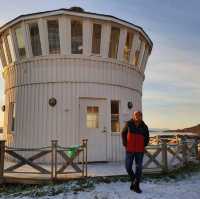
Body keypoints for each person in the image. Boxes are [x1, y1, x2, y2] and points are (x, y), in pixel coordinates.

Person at [121, 111, 149, 193]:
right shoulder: (129, 124)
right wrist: (125, 144)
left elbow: (147, 137)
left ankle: (136, 185)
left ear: (141, 116)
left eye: (139, 115)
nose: (137, 116)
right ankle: (134, 181)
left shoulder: (144, 126)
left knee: (138, 167)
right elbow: (123, 133)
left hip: (139, 150)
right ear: (133, 116)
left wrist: (143, 145)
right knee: (128, 167)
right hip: (129, 149)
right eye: (136, 115)